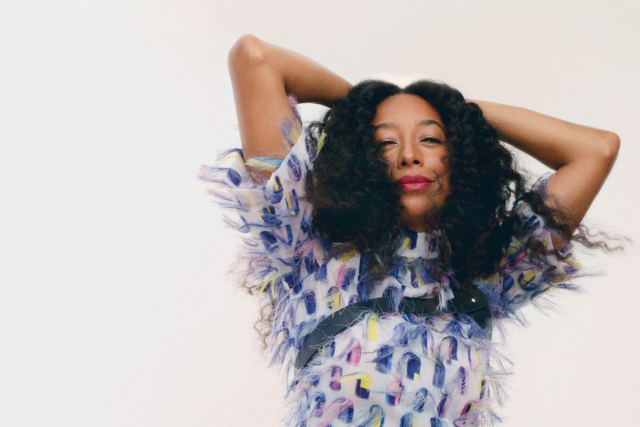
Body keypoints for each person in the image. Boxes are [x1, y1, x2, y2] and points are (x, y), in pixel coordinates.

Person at [198, 34, 622, 427]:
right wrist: (357, 107)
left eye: (431, 140)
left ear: (461, 158)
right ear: (360, 160)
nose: (408, 156)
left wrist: (459, 114)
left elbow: (595, 151)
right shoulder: (309, 250)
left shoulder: (483, 280)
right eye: (384, 142)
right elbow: (255, 57)